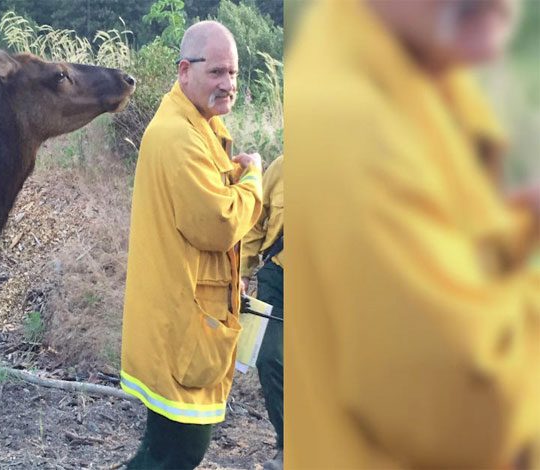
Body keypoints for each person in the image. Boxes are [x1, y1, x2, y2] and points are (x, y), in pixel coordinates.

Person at [286, 0, 540, 468]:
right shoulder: (350, 120)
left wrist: (520, 228)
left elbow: (454, 245)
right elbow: (464, 395)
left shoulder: (418, 74)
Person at [120, 20, 264, 469]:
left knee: (160, 452)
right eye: (217, 72)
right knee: (177, 453)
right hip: (181, 328)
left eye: (234, 73)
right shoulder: (180, 137)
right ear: (184, 71)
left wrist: (228, 282)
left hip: (184, 318)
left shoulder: (196, 126)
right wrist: (254, 178)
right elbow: (219, 224)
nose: (228, 84)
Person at [240, 154, 283, 470]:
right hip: (277, 277)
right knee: (269, 358)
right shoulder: (281, 167)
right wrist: (243, 271)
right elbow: (257, 221)